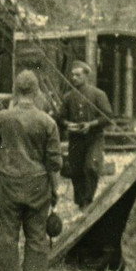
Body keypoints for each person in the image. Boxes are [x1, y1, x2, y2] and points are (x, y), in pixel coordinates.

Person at [0, 70, 62, 271]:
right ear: (37, 91)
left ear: (15, 90)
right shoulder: (48, 122)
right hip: (38, 184)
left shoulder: (0, 118)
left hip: (8, 182)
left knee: (8, 232)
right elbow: (54, 163)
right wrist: (55, 190)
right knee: (37, 234)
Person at [59, 61, 114, 209]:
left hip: (94, 138)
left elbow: (108, 117)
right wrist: (67, 125)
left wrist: (91, 125)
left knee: (90, 167)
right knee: (75, 170)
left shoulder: (98, 94)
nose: (74, 78)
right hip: (76, 139)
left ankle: (88, 201)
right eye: (72, 75)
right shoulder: (68, 97)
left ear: (86, 76)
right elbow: (61, 118)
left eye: (78, 75)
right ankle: (80, 203)